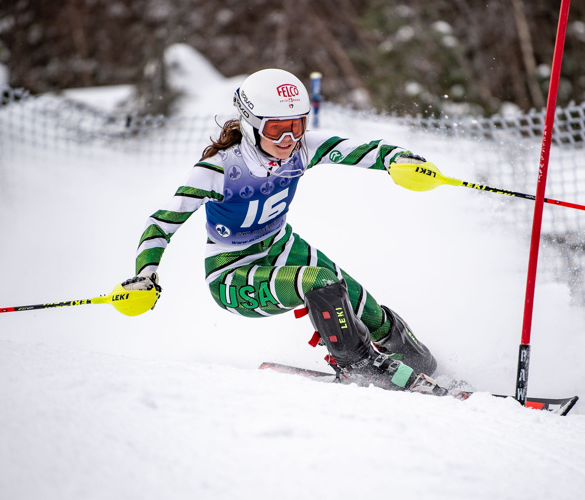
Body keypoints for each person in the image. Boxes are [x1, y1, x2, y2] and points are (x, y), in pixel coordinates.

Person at [121, 68, 437, 391]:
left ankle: (420, 361)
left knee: (361, 303)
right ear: (251, 124)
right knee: (319, 281)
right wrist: (146, 274)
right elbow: (160, 223)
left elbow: (363, 150)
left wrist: (398, 160)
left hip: (281, 248)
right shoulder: (219, 169)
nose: (289, 140)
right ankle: (359, 366)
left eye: (297, 126)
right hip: (232, 274)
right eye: (276, 130)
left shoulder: (302, 149)